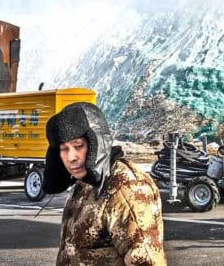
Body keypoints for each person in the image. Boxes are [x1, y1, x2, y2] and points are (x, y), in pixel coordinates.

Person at [43, 102, 167, 265]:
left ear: (97, 143)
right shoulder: (86, 182)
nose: (71, 157)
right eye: (64, 149)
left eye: (78, 146)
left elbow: (147, 261)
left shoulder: (125, 188)